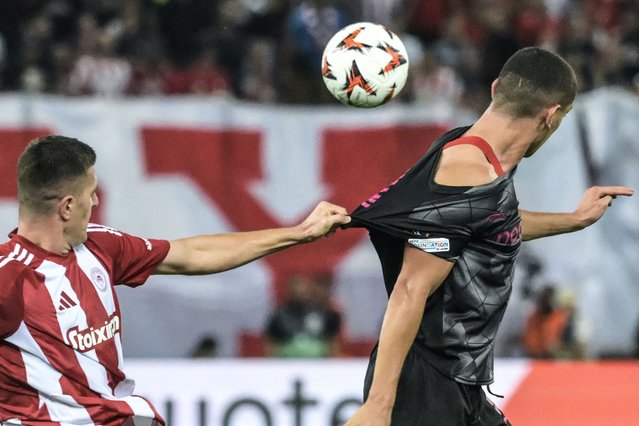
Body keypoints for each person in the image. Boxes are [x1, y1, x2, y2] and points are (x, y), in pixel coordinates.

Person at [343, 47, 634, 425]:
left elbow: (491, 223)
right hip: (423, 385)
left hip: (459, 382)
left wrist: (574, 219)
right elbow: (410, 288)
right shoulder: (465, 170)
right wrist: (379, 407)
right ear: (551, 116)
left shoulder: (481, 159)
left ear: (497, 87)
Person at [0, 136, 350, 426]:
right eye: (91, 193)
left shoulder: (99, 246)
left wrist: (298, 233)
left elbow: (191, 254)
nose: (95, 200)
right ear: (66, 207)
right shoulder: (9, 277)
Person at [264, 273, 342, 358]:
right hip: (287, 362)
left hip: (317, 362)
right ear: (288, 290)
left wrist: (333, 362)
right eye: (295, 287)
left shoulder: (321, 312)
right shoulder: (278, 315)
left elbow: (331, 340)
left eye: (301, 287)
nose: (298, 290)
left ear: (307, 289)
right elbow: (271, 343)